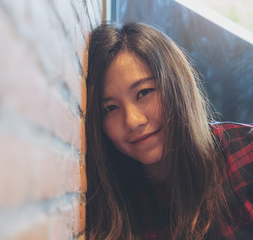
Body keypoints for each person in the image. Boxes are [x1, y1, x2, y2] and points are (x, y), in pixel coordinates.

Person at [85, 22, 253, 240]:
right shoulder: (113, 204)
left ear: (177, 86)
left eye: (144, 93)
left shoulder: (245, 153)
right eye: (110, 108)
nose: (133, 121)